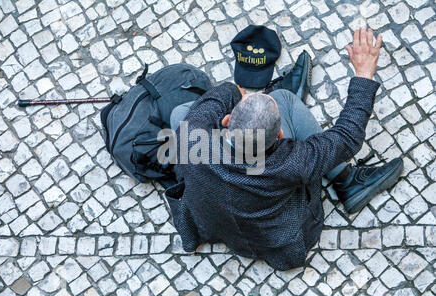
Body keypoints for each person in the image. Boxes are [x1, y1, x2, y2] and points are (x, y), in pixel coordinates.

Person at [165, 27, 403, 270]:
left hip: (214, 223)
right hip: (272, 241)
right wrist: (364, 73)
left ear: (226, 120)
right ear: (280, 135)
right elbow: (347, 135)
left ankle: (262, 111)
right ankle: (345, 178)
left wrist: (244, 99)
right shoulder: (290, 162)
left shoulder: (193, 134)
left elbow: (224, 93)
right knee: (283, 97)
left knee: (180, 114)